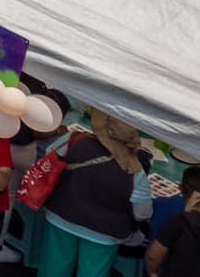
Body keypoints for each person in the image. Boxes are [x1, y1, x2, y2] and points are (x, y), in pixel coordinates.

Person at [37, 111, 155, 277]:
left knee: (53, 268)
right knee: (93, 272)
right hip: (104, 234)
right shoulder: (136, 171)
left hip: (61, 216)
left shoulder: (74, 140)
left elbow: (50, 155)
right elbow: (142, 213)